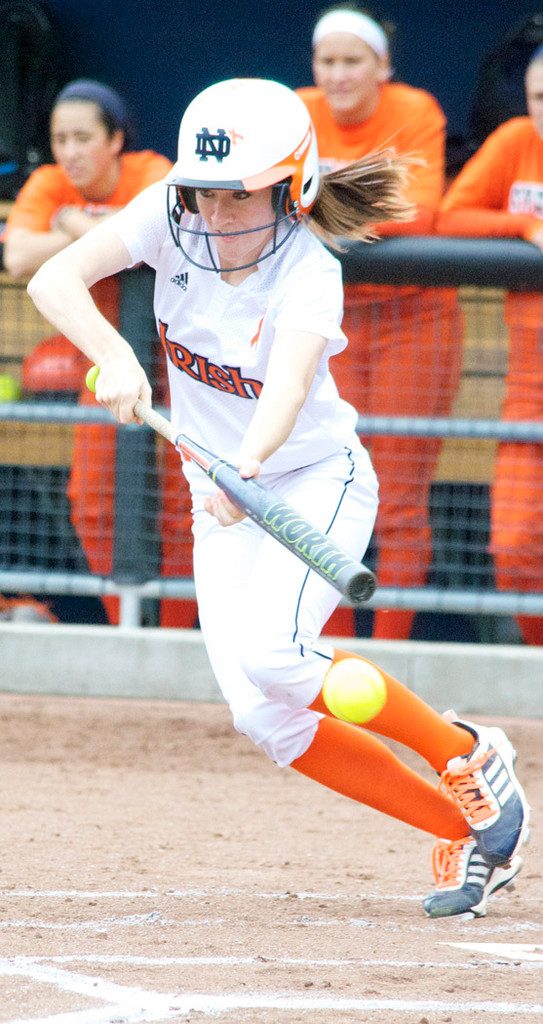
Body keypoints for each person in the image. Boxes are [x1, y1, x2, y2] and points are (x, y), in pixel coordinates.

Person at [26, 76, 529, 918]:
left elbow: (288, 390)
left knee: (274, 658)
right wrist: (116, 354)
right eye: (206, 194)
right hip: (218, 492)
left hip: (307, 482)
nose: (217, 216)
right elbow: (54, 279)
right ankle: (464, 833)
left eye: (241, 197)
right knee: (267, 719)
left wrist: (248, 466)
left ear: (292, 190)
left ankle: (467, 752)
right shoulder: (168, 215)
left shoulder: (308, 271)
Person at [297, 4, 464, 640]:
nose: (338, 75)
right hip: (324, 322)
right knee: (324, 493)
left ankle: (387, 653)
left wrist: (322, 202)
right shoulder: (297, 109)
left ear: (381, 67)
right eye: (327, 61)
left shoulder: (414, 109)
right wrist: (349, 198)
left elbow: (420, 214)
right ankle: (325, 657)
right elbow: (270, 201)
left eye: (352, 61)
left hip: (412, 322)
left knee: (394, 500)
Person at [3, 79, 195, 625]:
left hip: (178, 358)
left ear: (115, 140)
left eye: (83, 137)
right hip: (106, 361)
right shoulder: (48, 181)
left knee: (186, 505)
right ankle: (122, 625)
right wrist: (86, 230)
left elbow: (155, 243)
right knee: (92, 501)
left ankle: (178, 635)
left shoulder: (151, 170)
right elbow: (18, 256)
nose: (70, 151)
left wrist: (71, 223)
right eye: (60, 139)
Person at [437, 45, 543, 646]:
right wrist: (525, 226)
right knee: (514, 544)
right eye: (539, 97)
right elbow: (452, 216)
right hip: (529, 384)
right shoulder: (514, 143)